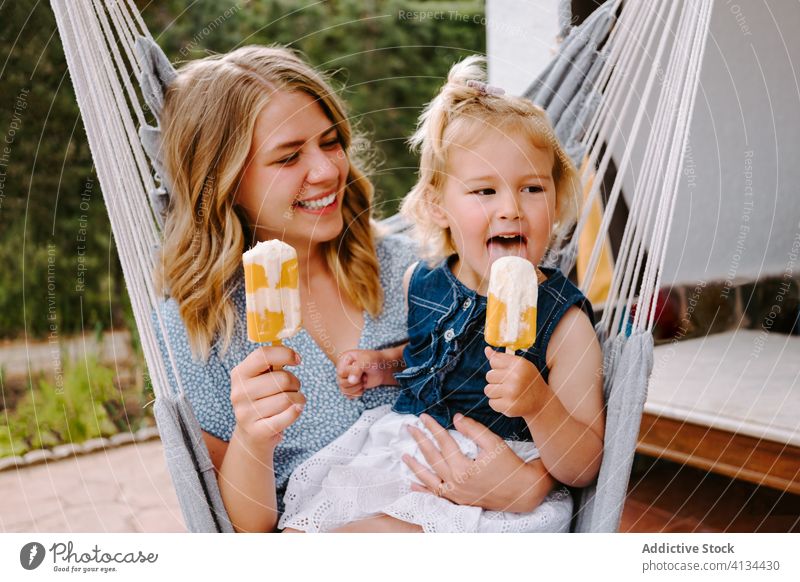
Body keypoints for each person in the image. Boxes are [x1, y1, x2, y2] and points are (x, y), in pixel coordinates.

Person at [153, 46, 565, 533]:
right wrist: (253, 438)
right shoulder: (197, 324)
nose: (327, 170)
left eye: (330, 142)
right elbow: (247, 528)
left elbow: (536, 393)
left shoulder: (419, 266)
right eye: (288, 157)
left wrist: (532, 482)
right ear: (222, 181)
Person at [279, 56, 605, 533]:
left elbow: (586, 463)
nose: (511, 209)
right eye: (484, 191)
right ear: (437, 205)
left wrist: (539, 404)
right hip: (405, 452)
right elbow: (425, 360)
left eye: (532, 188)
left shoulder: (565, 324)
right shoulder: (422, 281)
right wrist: (384, 367)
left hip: (495, 479)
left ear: (555, 202)